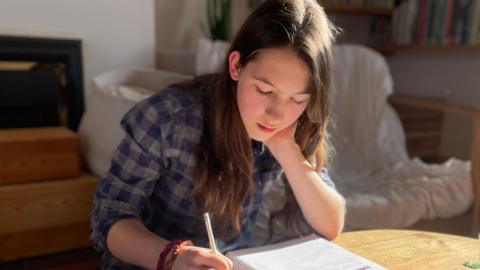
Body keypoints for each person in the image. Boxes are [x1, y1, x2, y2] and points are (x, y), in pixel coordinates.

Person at [90, 0, 345, 269]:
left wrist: (286, 149)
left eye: (296, 98)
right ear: (236, 66)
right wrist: (170, 257)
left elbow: (331, 225)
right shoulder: (168, 118)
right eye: (265, 91)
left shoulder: (292, 126)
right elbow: (109, 216)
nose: (277, 114)